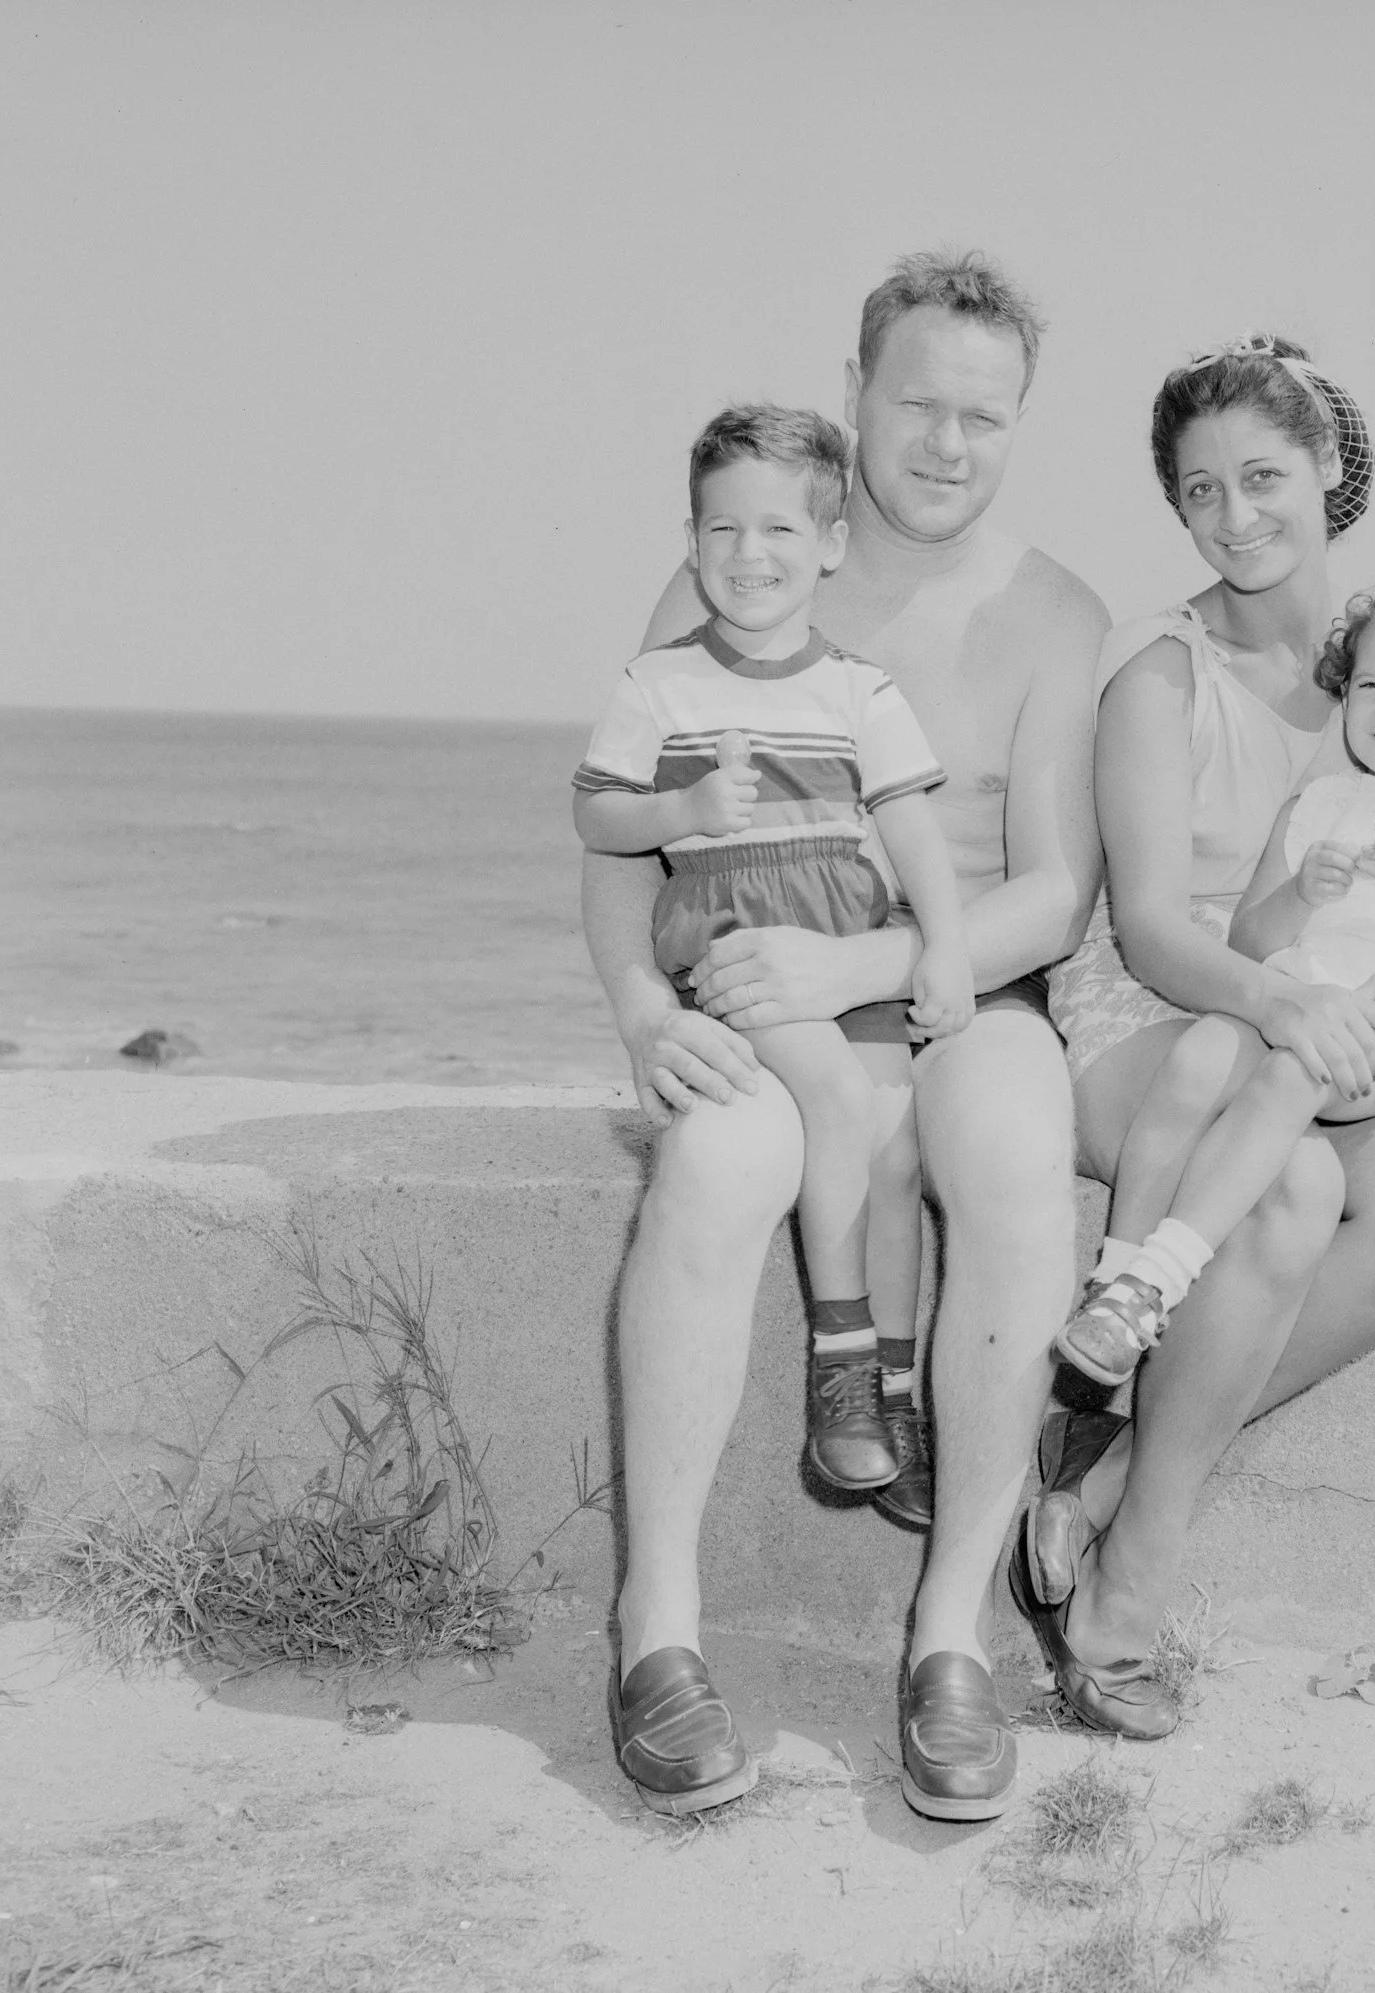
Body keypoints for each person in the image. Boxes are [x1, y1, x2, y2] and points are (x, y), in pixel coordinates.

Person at [582, 251, 1105, 1821]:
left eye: (985, 415)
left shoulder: (1052, 612)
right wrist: (638, 1013)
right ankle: (654, 1633)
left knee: (1017, 1160)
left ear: (1018, 423)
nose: (947, 444)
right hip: (756, 999)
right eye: (919, 404)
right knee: (717, 1165)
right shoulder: (740, 569)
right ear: (859, 393)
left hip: (959, 996)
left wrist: (865, 960)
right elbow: (615, 845)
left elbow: (1058, 887)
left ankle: (950, 1641)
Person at [1019, 336, 1375, 1739]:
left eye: (1264, 475)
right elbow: (1146, 926)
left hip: (1354, 1010)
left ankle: (1105, 1479)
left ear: (1329, 469)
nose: (1236, 512)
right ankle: (1133, 1579)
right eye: (1199, 490)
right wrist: (1282, 1002)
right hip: (1182, 1006)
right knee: (1298, 1189)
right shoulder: (1158, 671)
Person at [573, 404, 973, 1511]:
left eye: (780, 532)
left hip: (839, 936)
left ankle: (894, 1388)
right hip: (735, 941)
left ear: (830, 543)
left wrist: (938, 945)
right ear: (692, 541)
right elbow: (594, 819)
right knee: (840, 1102)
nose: (750, 557)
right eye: (723, 532)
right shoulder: (661, 683)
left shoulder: (858, 688)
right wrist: (682, 805)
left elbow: (908, 829)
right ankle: (840, 1358)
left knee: (894, 1152)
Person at [1055, 574, 1375, 1387]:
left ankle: (1160, 1278)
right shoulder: (1321, 802)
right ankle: (1114, 1277)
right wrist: (1303, 892)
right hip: (1309, 1000)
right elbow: (1255, 939)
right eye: (1369, 686)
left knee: (1295, 1070)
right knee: (1197, 1060)